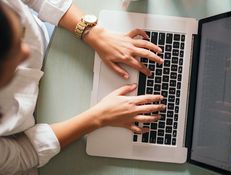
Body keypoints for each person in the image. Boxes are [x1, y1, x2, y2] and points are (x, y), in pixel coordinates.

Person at [0, 0, 165, 174]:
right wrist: (100, 116)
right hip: (30, 130)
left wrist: (90, 31)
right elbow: (22, 154)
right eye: (13, 54)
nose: (27, 50)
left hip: (51, 35)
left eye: (22, 30)